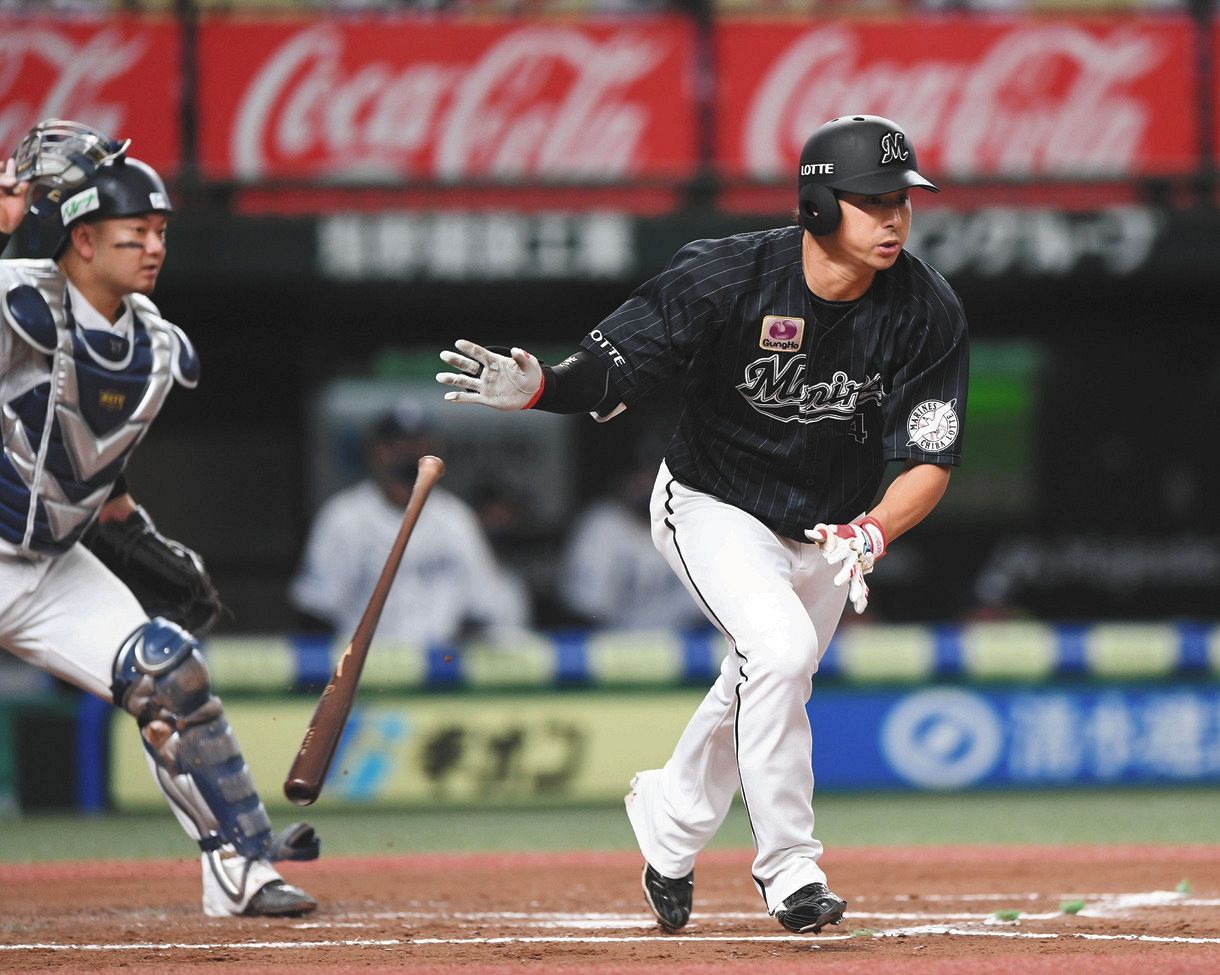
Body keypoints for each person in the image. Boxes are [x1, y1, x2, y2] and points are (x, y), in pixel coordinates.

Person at [436, 114, 969, 934]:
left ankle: (672, 821)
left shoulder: (926, 308)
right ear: (820, 205)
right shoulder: (728, 276)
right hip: (714, 503)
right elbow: (612, 366)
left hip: (831, 529)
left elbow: (930, 458)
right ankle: (791, 868)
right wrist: (544, 388)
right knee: (782, 653)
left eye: (901, 199)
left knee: (761, 675)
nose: (894, 216)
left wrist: (874, 531)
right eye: (871, 200)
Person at [0, 120, 318, 917]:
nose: (153, 247)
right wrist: (20, 218)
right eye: (133, 232)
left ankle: (242, 867)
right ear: (79, 240)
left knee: (168, 670)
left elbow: (95, 469)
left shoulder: (160, 349)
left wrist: (146, 544)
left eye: (161, 232)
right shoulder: (21, 306)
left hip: (51, 564)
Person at [289, 396, 530, 646]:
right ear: (376, 452)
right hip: (366, 669)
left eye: (419, 446)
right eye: (397, 446)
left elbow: (483, 606)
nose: (408, 457)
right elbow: (315, 610)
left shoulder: (455, 519)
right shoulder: (343, 518)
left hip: (437, 668)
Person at [558, 456, 708, 630]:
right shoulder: (602, 524)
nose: (648, 485)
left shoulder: (695, 524)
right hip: (613, 649)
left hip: (683, 649)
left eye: (656, 476)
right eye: (640, 478)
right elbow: (584, 609)